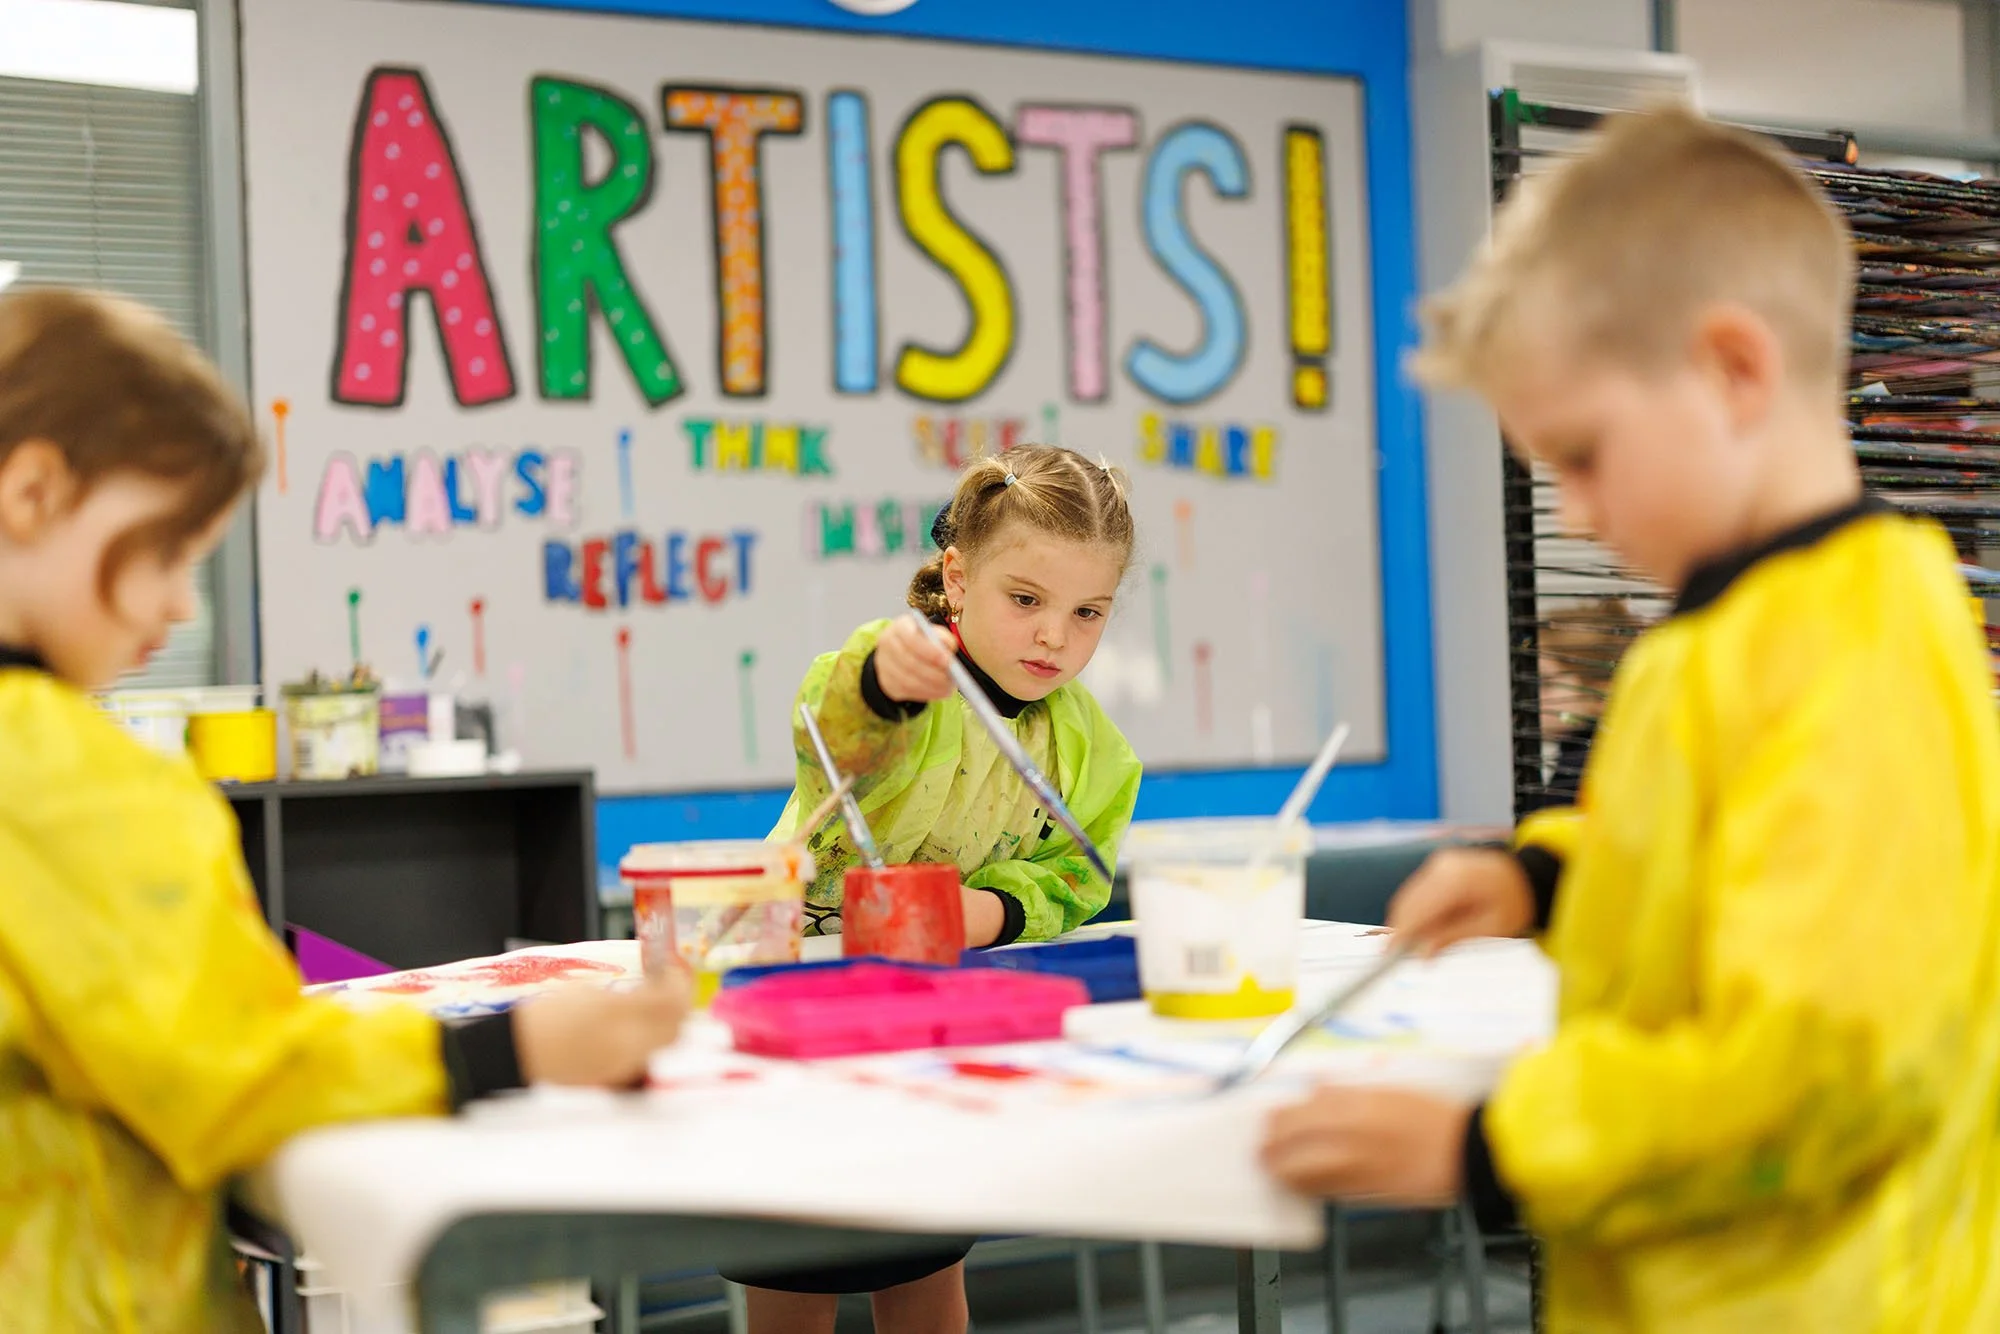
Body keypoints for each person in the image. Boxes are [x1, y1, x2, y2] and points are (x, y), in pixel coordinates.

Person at [1260, 107, 2000, 1330]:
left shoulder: (1856, 648)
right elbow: (1703, 854)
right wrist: (1536, 879)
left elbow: (1822, 1072)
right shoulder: (1726, 630)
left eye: (1584, 454)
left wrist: (1484, 1144)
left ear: (1732, 369)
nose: (1576, 510)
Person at [0, 288, 689, 1334]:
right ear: (34, 490)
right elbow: (235, 1072)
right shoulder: (62, 774)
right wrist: (516, 1049)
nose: (184, 603)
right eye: (170, 549)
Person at [733, 445, 1143, 1334]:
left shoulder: (1088, 746)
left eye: (1088, 613)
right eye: (1026, 600)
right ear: (957, 577)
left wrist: (987, 911)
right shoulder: (906, 675)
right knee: (796, 1275)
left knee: (926, 1267)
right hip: (799, 994)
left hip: (927, 1015)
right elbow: (830, 729)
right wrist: (883, 681)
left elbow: (1080, 870)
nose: (1054, 637)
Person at [1527, 598, 1643, 810]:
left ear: (1602, 694)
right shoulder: (1580, 758)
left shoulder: (1583, 768)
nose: (1529, 696)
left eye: (1545, 682)